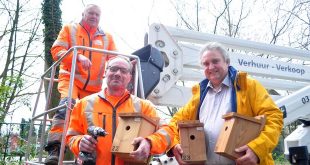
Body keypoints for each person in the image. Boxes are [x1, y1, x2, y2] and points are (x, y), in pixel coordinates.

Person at [167, 42, 283, 165]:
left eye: (215, 61)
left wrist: (257, 149)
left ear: (227, 62)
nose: (211, 67)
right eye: (206, 64)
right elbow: (174, 123)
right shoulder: (198, 96)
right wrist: (175, 145)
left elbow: (274, 117)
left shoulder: (247, 86)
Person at [66, 57, 174, 164]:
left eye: (123, 71)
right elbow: (71, 137)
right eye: (113, 69)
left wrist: (149, 143)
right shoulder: (83, 104)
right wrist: (79, 142)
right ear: (106, 72)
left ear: (129, 77)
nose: (117, 73)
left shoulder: (144, 106)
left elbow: (167, 132)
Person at [44, 4, 116, 164]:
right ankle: (55, 149)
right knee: (67, 106)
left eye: (98, 15)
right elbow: (57, 50)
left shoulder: (107, 38)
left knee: (91, 118)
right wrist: (76, 57)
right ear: (83, 13)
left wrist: (126, 65)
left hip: (94, 88)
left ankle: (85, 154)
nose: (94, 17)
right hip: (70, 80)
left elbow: (113, 58)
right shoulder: (70, 29)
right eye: (91, 13)